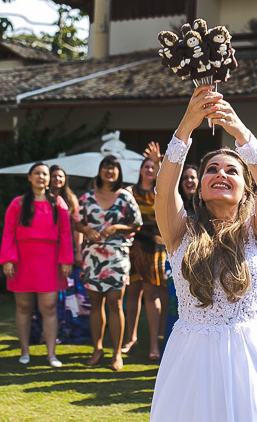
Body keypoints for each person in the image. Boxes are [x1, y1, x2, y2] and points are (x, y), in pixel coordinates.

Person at [150, 85, 257, 421]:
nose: (221, 174)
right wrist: (186, 127)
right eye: (212, 169)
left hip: (250, 362)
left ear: (245, 189)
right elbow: (162, 191)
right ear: (199, 188)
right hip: (190, 363)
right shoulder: (180, 233)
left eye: (231, 170)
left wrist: (240, 132)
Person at [0, 162, 74, 368]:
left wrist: (66, 260)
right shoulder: (18, 203)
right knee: (23, 306)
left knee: (49, 307)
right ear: (30, 178)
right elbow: (8, 232)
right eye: (37, 173)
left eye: (44, 174)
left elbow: (66, 233)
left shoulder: (58, 203)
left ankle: (51, 354)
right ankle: (25, 351)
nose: (41, 177)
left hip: (50, 260)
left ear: (49, 179)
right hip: (22, 260)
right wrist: (8, 259)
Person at [75, 155, 142, 371]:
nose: (109, 171)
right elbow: (76, 221)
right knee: (95, 304)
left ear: (118, 172)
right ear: (100, 170)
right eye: (106, 167)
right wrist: (86, 230)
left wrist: (116, 228)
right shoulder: (86, 197)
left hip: (116, 256)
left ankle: (116, 354)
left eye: (113, 167)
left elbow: (136, 224)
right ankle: (97, 349)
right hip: (92, 256)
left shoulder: (125, 197)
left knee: (114, 303)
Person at [123, 145, 169, 361]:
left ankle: (154, 344)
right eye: (147, 167)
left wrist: (159, 163)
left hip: (155, 246)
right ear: (140, 170)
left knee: (151, 295)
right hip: (134, 247)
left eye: (153, 167)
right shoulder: (130, 191)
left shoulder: (158, 191)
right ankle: (130, 338)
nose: (149, 170)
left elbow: (165, 182)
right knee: (132, 293)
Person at [50, 165, 92, 344]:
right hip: (49, 249)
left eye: (60, 176)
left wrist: (79, 250)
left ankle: (71, 328)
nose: (57, 180)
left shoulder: (72, 199)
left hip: (68, 248)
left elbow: (78, 227)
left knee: (71, 290)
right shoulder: (43, 198)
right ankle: (50, 329)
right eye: (54, 176)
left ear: (65, 179)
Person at [163, 163, 200, 349]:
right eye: (185, 178)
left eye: (193, 177)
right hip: (176, 262)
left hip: (200, 263)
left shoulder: (206, 206)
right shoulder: (176, 206)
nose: (189, 181)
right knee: (174, 304)